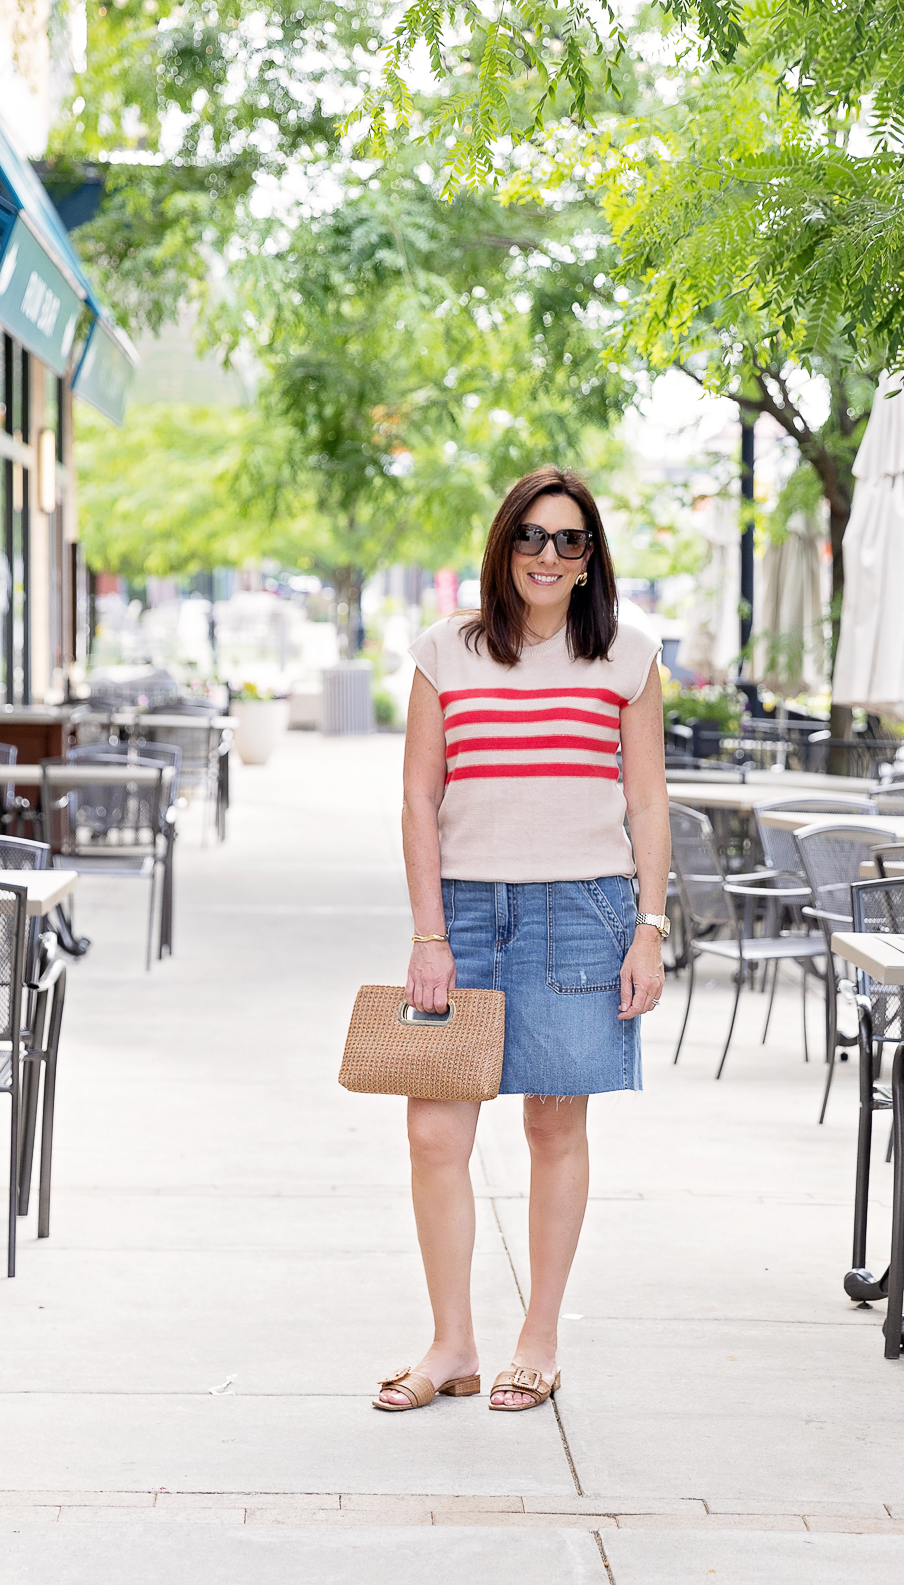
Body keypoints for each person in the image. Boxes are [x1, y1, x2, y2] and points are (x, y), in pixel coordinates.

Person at [374, 466, 671, 1415]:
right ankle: (451, 1343)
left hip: (582, 914)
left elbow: (647, 800)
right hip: (463, 913)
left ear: (590, 561)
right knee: (433, 1132)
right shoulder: (444, 653)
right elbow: (420, 797)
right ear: (504, 547)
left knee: (553, 1126)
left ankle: (537, 1341)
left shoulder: (628, 656)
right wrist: (429, 932)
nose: (549, 554)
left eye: (569, 540)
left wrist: (651, 928)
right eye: (532, 537)